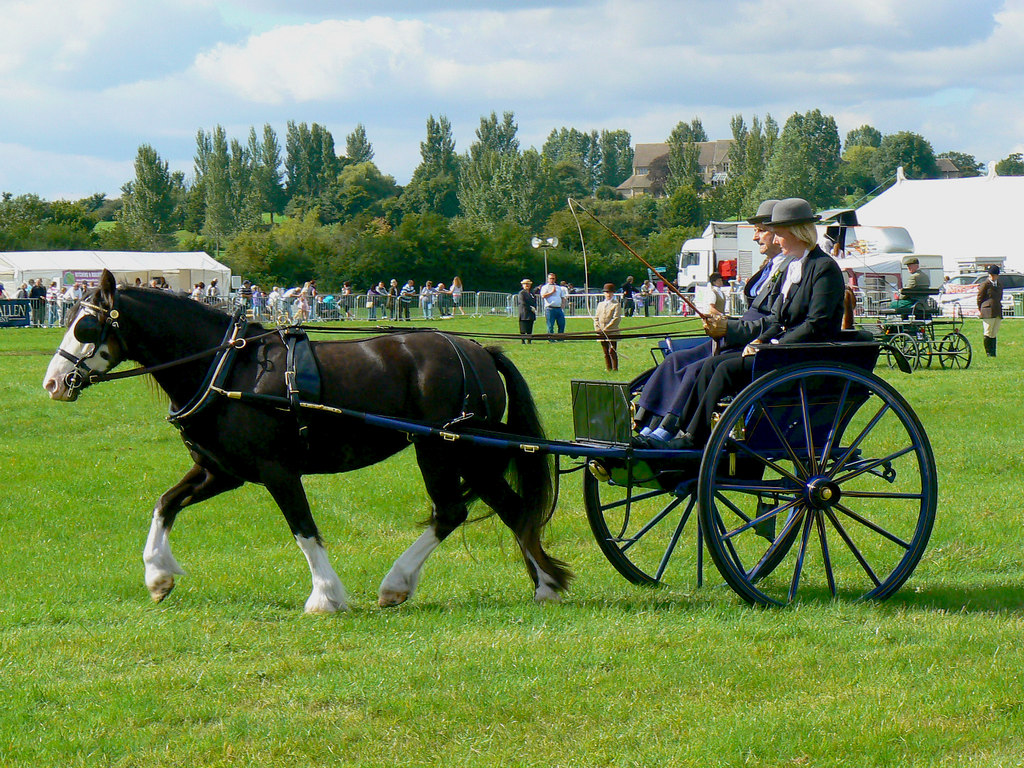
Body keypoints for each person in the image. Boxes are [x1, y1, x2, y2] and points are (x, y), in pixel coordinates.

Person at [638, 197, 845, 449]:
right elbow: (777, 318)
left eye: (778, 234)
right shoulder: (794, 268)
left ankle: (693, 437)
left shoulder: (824, 268)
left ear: (796, 233)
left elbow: (816, 324)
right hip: (779, 350)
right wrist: (760, 339)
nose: (776, 240)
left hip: (801, 354)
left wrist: (772, 344)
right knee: (711, 365)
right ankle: (676, 429)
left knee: (724, 369)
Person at [594, 283, 623, 370]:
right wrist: (598, 329)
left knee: (612, 351)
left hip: (612, 331)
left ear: (613, 293)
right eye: (606, 292)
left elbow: (616, 318)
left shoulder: (616, 304)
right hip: (601, 332)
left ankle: (615, 368)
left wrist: (606, 329)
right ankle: (608, 369)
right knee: (605, 352)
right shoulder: (600, 304)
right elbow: (596, 317)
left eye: (610, 292)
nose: (608, 294)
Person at [978, 265, 1003, 357]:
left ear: (997, 275)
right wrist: (981, 309)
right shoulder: (985, 284)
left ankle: (993, 352)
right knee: (988, 331)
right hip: (988, 310)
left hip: (997, 310)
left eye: (994, 275)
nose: (993, 277)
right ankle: (988, 352)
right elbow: (980, 298)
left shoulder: (999, 284)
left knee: (994, 332)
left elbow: (1000, 297)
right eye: (991, 275)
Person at [539, 272, 567, 338]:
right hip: (550, 308)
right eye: (550, 278)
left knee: (562, 324)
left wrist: (563, 304)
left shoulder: (558, 287)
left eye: (553, 278)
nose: (552, 280)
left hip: (558, 308)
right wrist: (552, 292)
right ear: (548, 279)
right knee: (550, 325)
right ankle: (551, 338)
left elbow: (562, 297)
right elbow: (543, 296)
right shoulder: (545, 287)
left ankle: (560, 337)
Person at [517, 278, 537, 343]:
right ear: (522, 285)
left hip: (531, 313)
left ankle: (529, 340)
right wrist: (530, 308)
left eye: (528, 284)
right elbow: (522, 302)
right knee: (523, 327)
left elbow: (534, 301)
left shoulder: (532, 293)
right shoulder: (521, 293)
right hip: (524, 313)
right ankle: (523, 341)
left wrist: (534, 308)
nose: (527, 285)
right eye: (525, 284)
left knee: (530, 327)